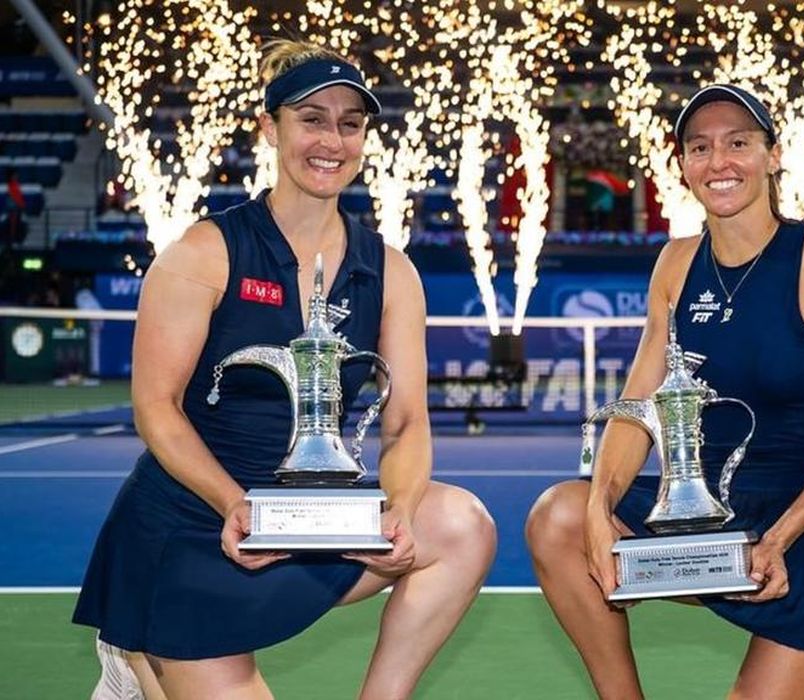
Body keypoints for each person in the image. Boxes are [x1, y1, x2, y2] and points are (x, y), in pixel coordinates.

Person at [73, 39, 496, 699]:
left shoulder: (391, 271)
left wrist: (401, 508)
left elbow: (407, 421)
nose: (332, 140)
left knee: (462, 524)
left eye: (349, 124)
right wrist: (233, 503)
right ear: (269, 129)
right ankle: (137, 654)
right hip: (195, 524)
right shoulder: (204, 252)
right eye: (311, 119)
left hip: (306, 515)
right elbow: (157, 407)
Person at [526, 84, 804, 700]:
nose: (719, 162)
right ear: (683, 166)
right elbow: (638, 407)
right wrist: (600, 508)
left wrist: (780, 538)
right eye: (700, 147)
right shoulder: (676, 264)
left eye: (738, 143)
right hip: (718, 515)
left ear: (772, 155)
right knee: (560, 517)